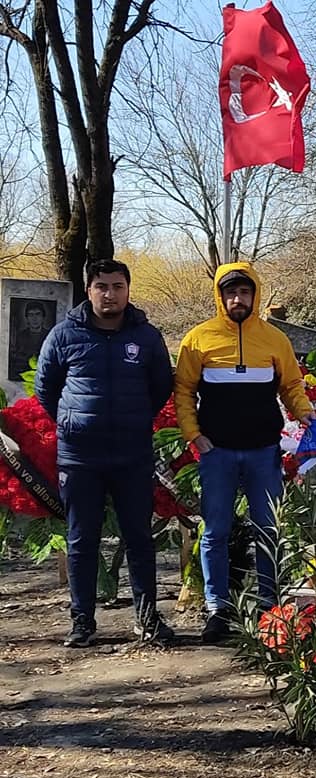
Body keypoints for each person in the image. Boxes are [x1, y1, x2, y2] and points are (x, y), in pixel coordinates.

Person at [34, 259, 175, 648]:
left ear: (128, 290)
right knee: (82, 539)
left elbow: (161, 386)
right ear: (88, 290)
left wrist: (132, 418)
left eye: (117, 286)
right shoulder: (64, 335)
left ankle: (146, 618)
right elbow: (46, 389)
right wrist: (73, 420)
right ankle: (82, 622)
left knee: (139, 538)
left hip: (132, 454)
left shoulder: (146, 337)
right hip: (81, 456)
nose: (109, 294)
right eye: (101, 286)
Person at [174, 262, 314, 644]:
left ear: (255, 295)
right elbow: (183, 391)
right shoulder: (198, 339)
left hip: (262, 452)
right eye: (231, 293)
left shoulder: (274, 340)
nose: (238, 299)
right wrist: (193, 434)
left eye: (245, 292)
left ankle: (270, 606)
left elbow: (292, 386)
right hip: (216, 452)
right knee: (215, 532)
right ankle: (218, 608)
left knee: (268, 529)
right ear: (220, 297)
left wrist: (306, 415)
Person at [9, 300, 53, 379]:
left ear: (43, 317)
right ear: (27, 318)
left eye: (38, 314)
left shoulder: (50, 335)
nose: (34, 318)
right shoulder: (19, 336)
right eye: (31, 315)